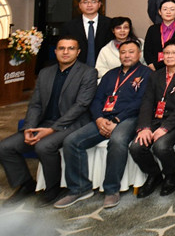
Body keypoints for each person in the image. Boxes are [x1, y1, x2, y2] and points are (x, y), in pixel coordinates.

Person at [0, 37, 97, 206]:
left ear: (78, 52)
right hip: (45, 123)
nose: (65, 52)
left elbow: (81, 106)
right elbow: (35, 104)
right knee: (5, 147)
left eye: (71, 48)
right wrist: (29, 128)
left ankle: (53, 189)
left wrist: (52, 130)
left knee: (44, 146)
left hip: (73, 124)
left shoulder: (88, 73)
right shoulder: (45, 73)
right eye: (62, 48)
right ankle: (26, 184)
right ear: (55, 51)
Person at [56, 40, 151, 209]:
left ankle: (111, 189)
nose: (127, 55)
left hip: (129, 118)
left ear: (139, 54)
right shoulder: (110, 74)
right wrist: (99, 119)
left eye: (131, 52)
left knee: (117, 140)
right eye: (123, 52)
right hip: (104, 118)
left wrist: (117, 120)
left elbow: (142, 101)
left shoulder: (147, 74)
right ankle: (79, 188)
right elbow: (97, 99)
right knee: (71, 141)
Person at [129, 39, 175, 199]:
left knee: (161, 146)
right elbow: (147, 101)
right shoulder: (155, 75)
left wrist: (165, 128)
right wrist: (144, 127)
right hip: (156, 119)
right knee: (136, 147)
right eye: (166, 53)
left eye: (174, 53)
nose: (169, 56)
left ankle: (171, 177)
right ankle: (154, 175)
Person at [60, 0, 112, 66]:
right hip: (77, 68)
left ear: (99, 4)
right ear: (79, 5)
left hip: (106, 67)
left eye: (93, 2)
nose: (89, 5)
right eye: (85, 2)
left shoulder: (110, 24)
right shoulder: (69, 26)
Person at [143, 0, 175, 71]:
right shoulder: (152, 29)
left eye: (172, 9)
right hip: (154, 69)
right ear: (160, 11)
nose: (168, 12)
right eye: (165, 9)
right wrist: (151, 65)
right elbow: (147, 51)